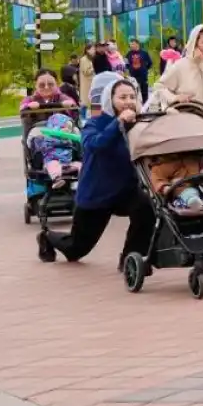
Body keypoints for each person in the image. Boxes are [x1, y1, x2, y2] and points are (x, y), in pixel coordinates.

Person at [37, 75, 158, 265]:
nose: (128, 102)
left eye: (131, 97)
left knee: (147, 210)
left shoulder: (139, 124)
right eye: (122, 97)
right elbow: (95, 145)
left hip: (125, 191)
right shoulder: (94, 124)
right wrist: (118, 123)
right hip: (96, 194)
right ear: (110, 100)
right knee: (76, 249)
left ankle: (130, 260)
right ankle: (47, 237)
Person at [149, 25, 203, 133]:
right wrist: (174, 97)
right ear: (194, 43)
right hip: (187, 129)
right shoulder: (180, 66)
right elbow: (159, 87)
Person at [125, 39, 153, 104]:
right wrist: (129, 69)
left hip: (143, 75)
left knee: (144, 92)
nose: (131, 45)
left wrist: (145, 69)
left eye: (133, 44)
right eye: (130, 44)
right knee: (134, 91)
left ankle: (146, 105)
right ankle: (135, 104)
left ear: (137, 44)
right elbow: (126, 63)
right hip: (133, 76)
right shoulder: (128, 54)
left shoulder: (144, 53)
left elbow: (150, 63)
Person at [77, 44, 98, 113]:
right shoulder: (84, 59)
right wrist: (94, 66)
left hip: (93, 84)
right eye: (92, 49)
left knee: (95, 101)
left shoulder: (93, 58)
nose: (94, 51)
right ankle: (83, 120)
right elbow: (86, 72)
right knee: (86, 103)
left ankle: (96, 118)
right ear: (87, 50)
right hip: (87, 84)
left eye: (94, 49)